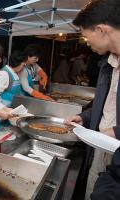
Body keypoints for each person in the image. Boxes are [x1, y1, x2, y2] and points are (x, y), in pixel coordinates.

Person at [66, 0, 120, 199]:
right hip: (101, 149)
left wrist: (116, 132)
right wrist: (86, 117)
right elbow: (107, 105)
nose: (87, 43)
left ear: (101, 30)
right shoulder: (108, 64)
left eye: (87, 37)